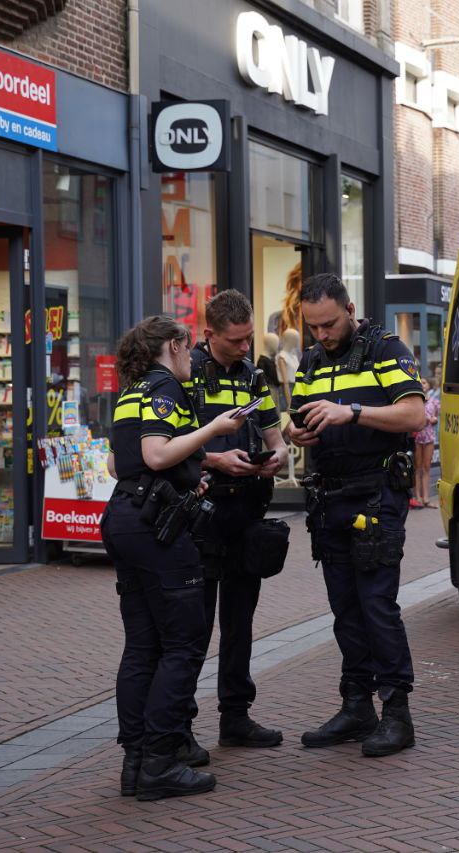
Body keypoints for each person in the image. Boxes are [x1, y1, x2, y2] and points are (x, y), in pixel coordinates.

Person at [102, 316, 245, 801]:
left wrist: (187, 475)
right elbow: (156, 454)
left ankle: (136, 762)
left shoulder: (132, 390)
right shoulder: (166, 387)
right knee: (183, 643)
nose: (192, 358)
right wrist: (213, 430)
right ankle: (162, 760)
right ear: (176, 346)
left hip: (125, 516)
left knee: (142, 646)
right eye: (188, 347)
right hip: (155, 529)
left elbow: (117, 463)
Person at [284, 273, 427, 757]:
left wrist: (353, 412)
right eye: (313, 327)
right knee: (345, 607)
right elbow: (296, 416)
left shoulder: (385, 349)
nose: (321, 334)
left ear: (349, 309)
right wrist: (296, 432)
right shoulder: (310, 360)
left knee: (376, 605)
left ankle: (397, 713)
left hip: (376, 496)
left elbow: (415, 415)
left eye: (328, 324)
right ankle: (356, 705)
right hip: (329, 498)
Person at [185, 290, 289, 751]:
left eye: (249, 338)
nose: (246, 347)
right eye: (236, 341)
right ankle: (180, 727)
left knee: (240, 622)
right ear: (209, 334)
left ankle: (236, 717)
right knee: (193, 626)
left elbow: (274, 437)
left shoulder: (252, 374)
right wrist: (214, 460)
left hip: (245, 511)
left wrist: (277, 457)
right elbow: (166, 446)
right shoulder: (184, 374)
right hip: (201, 515)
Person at [411, 377, 440, 509]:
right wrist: (428, 418)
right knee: (418, 468)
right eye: (420, 383)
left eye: (424, 382)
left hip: (429, 437)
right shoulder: (415, 401)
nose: (422, 385)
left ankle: (426, 498)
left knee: (427, 467)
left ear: (429, 385)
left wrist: (434, 420)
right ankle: (418, 497)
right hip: (417, 437)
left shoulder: (434, 401)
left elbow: (436, 416)